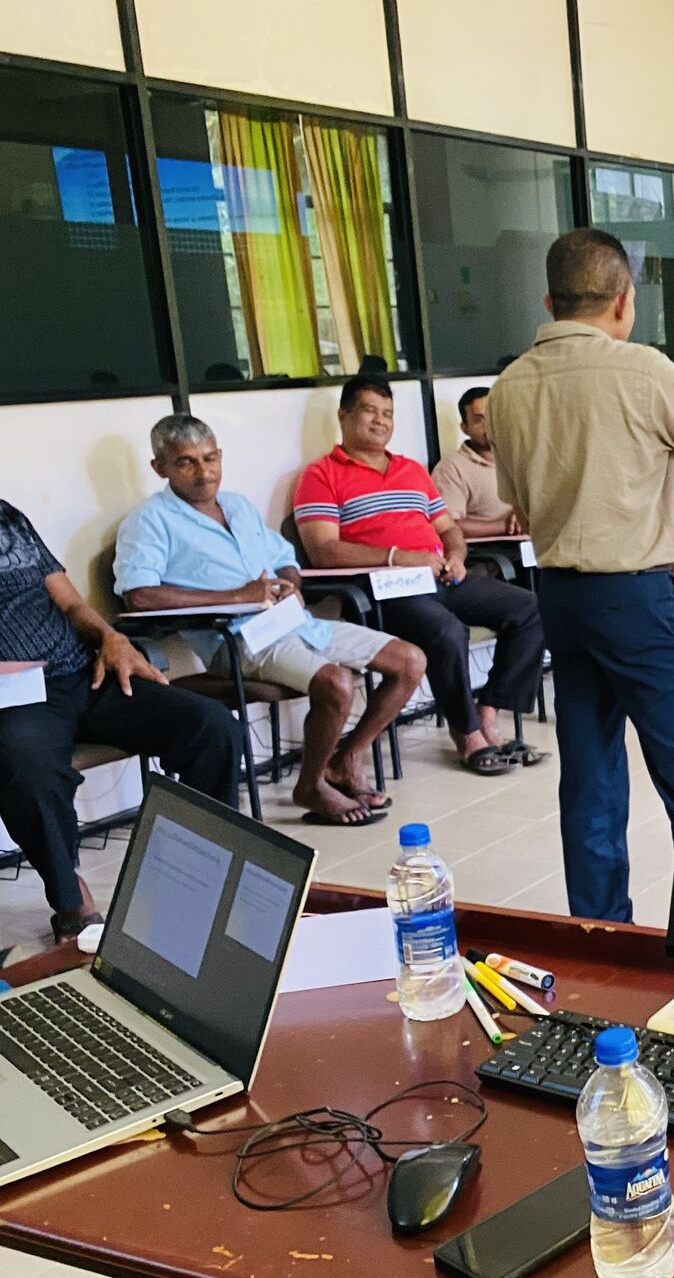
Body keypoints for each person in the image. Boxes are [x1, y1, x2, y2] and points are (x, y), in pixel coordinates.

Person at [487, 228, 674, 922]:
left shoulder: (509, 387)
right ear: (624, 301)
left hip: (560, 598)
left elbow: (518, 501)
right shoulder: (641, 370)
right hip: (636, 597)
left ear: (549, 302)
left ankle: (601, 934)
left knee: (590, 778)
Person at [115, 415, 425, 827]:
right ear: (160, 468)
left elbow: (283, 558)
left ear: (220, 456)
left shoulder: (238, 506)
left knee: (410, 661)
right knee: (337, 683)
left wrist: (291, 583)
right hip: (239, 641)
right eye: (186, 462)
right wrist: (236, 596)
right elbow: (139, 595)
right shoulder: (149, 521)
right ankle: (311, 786)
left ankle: (345, 759)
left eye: (209, 458)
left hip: (296, 623)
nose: (204, 472)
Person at [0, 498, 243, 945]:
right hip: (15, 698)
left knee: (212, 725)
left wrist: (111, 638)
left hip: (84, 671)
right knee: (29, 771)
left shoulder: (8, 516)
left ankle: (203, 872)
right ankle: (70, 900)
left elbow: (72, 605)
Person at [294, 377, 545, 777]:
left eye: (388, 413)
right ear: (344, 416)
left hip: (440, 577)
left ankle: (488, 714)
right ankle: (467, 735)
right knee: (447, 631)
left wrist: (457, 555)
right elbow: (323, 550)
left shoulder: (410, 470)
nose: (381, 421)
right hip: (381, 592)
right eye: (370, 411)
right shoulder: (321, 475)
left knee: (531, 608)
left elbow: (448, 528)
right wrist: (398, 557)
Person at [432, 388, 519, 539]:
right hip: (491, 551)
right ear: (464, 428)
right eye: (479, 420)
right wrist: (506, 526)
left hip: (537, 547)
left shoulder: (523, 459)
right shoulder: (451, 468)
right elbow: (447, 526)